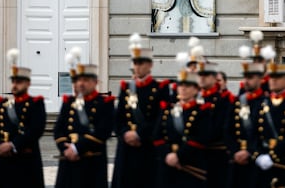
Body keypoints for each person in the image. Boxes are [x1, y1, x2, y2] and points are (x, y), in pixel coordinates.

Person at [112, 33, 169, 188]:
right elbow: (119, 118)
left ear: (150, 65)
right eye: (135, 63)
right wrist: (125, 133)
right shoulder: (126, 88)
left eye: (141, 63)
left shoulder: (159, 89)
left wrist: (138, 134)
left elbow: (160, 119)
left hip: (147, 147)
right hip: (127, 149)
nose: (137, 67)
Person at [0, 48, 46, 188]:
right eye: (13, 81)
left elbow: (35, 130)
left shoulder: (36, 104)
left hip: (26, 161)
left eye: (19, 81)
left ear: (28, 83)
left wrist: (12, 145)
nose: (15, 85)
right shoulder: (3, 104)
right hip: (5, 162)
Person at [250, 46, 285, 188]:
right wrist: (258, 154)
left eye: (278, 78)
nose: (273, 81)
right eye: (271, 78)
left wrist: (273, 155)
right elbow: (253, 132)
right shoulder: (263, 104)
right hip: (263, 165)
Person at [54, 57, 115, 188]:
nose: (81, 83)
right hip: (68, 163)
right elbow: (58, 130)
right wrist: (66, 149)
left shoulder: (104, 103)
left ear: (95, 82)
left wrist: (76, 148)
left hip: (91, 165)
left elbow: (103, 131)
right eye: (78, 80)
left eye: (86, 80)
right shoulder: (69, 102)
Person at [153, 64, 211, 188]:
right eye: (181, 85)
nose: (183, 89)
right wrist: (167, 155)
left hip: (191, 167)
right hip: (167, 166)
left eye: (188, 86)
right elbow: (157, 136)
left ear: (196, 89)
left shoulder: (202, 111)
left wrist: (179, 156)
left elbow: (200, 138)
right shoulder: (167, 110)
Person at [224, 45, 265, 188]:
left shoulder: (266, 102)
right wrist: (235, 151)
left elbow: (266, 134)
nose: (246, 81)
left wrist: (250, 152)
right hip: (237, 160)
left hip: (257, 160)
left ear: (260, 79)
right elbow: (228, 130)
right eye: (245, 77)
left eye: (251, 78)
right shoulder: (238, 101)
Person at [196, 55, 230, 188]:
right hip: (193, 157)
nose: (202, 78)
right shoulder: (190, 99)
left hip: (214, 156)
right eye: (200, 74)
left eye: (206, 74)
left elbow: (217, 129)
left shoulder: (222, 100)